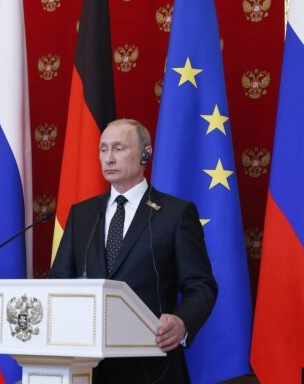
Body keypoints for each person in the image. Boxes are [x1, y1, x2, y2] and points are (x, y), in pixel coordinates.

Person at [49, 119, 217, 384]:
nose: (109, 158)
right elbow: (58, 281)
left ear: (145, 154)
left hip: (152, 365)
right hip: (87, 368)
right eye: (103, 149)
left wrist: (182, 322)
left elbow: (201, 285)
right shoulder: (82, 214)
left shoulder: (175, 214)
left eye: (119, 148)